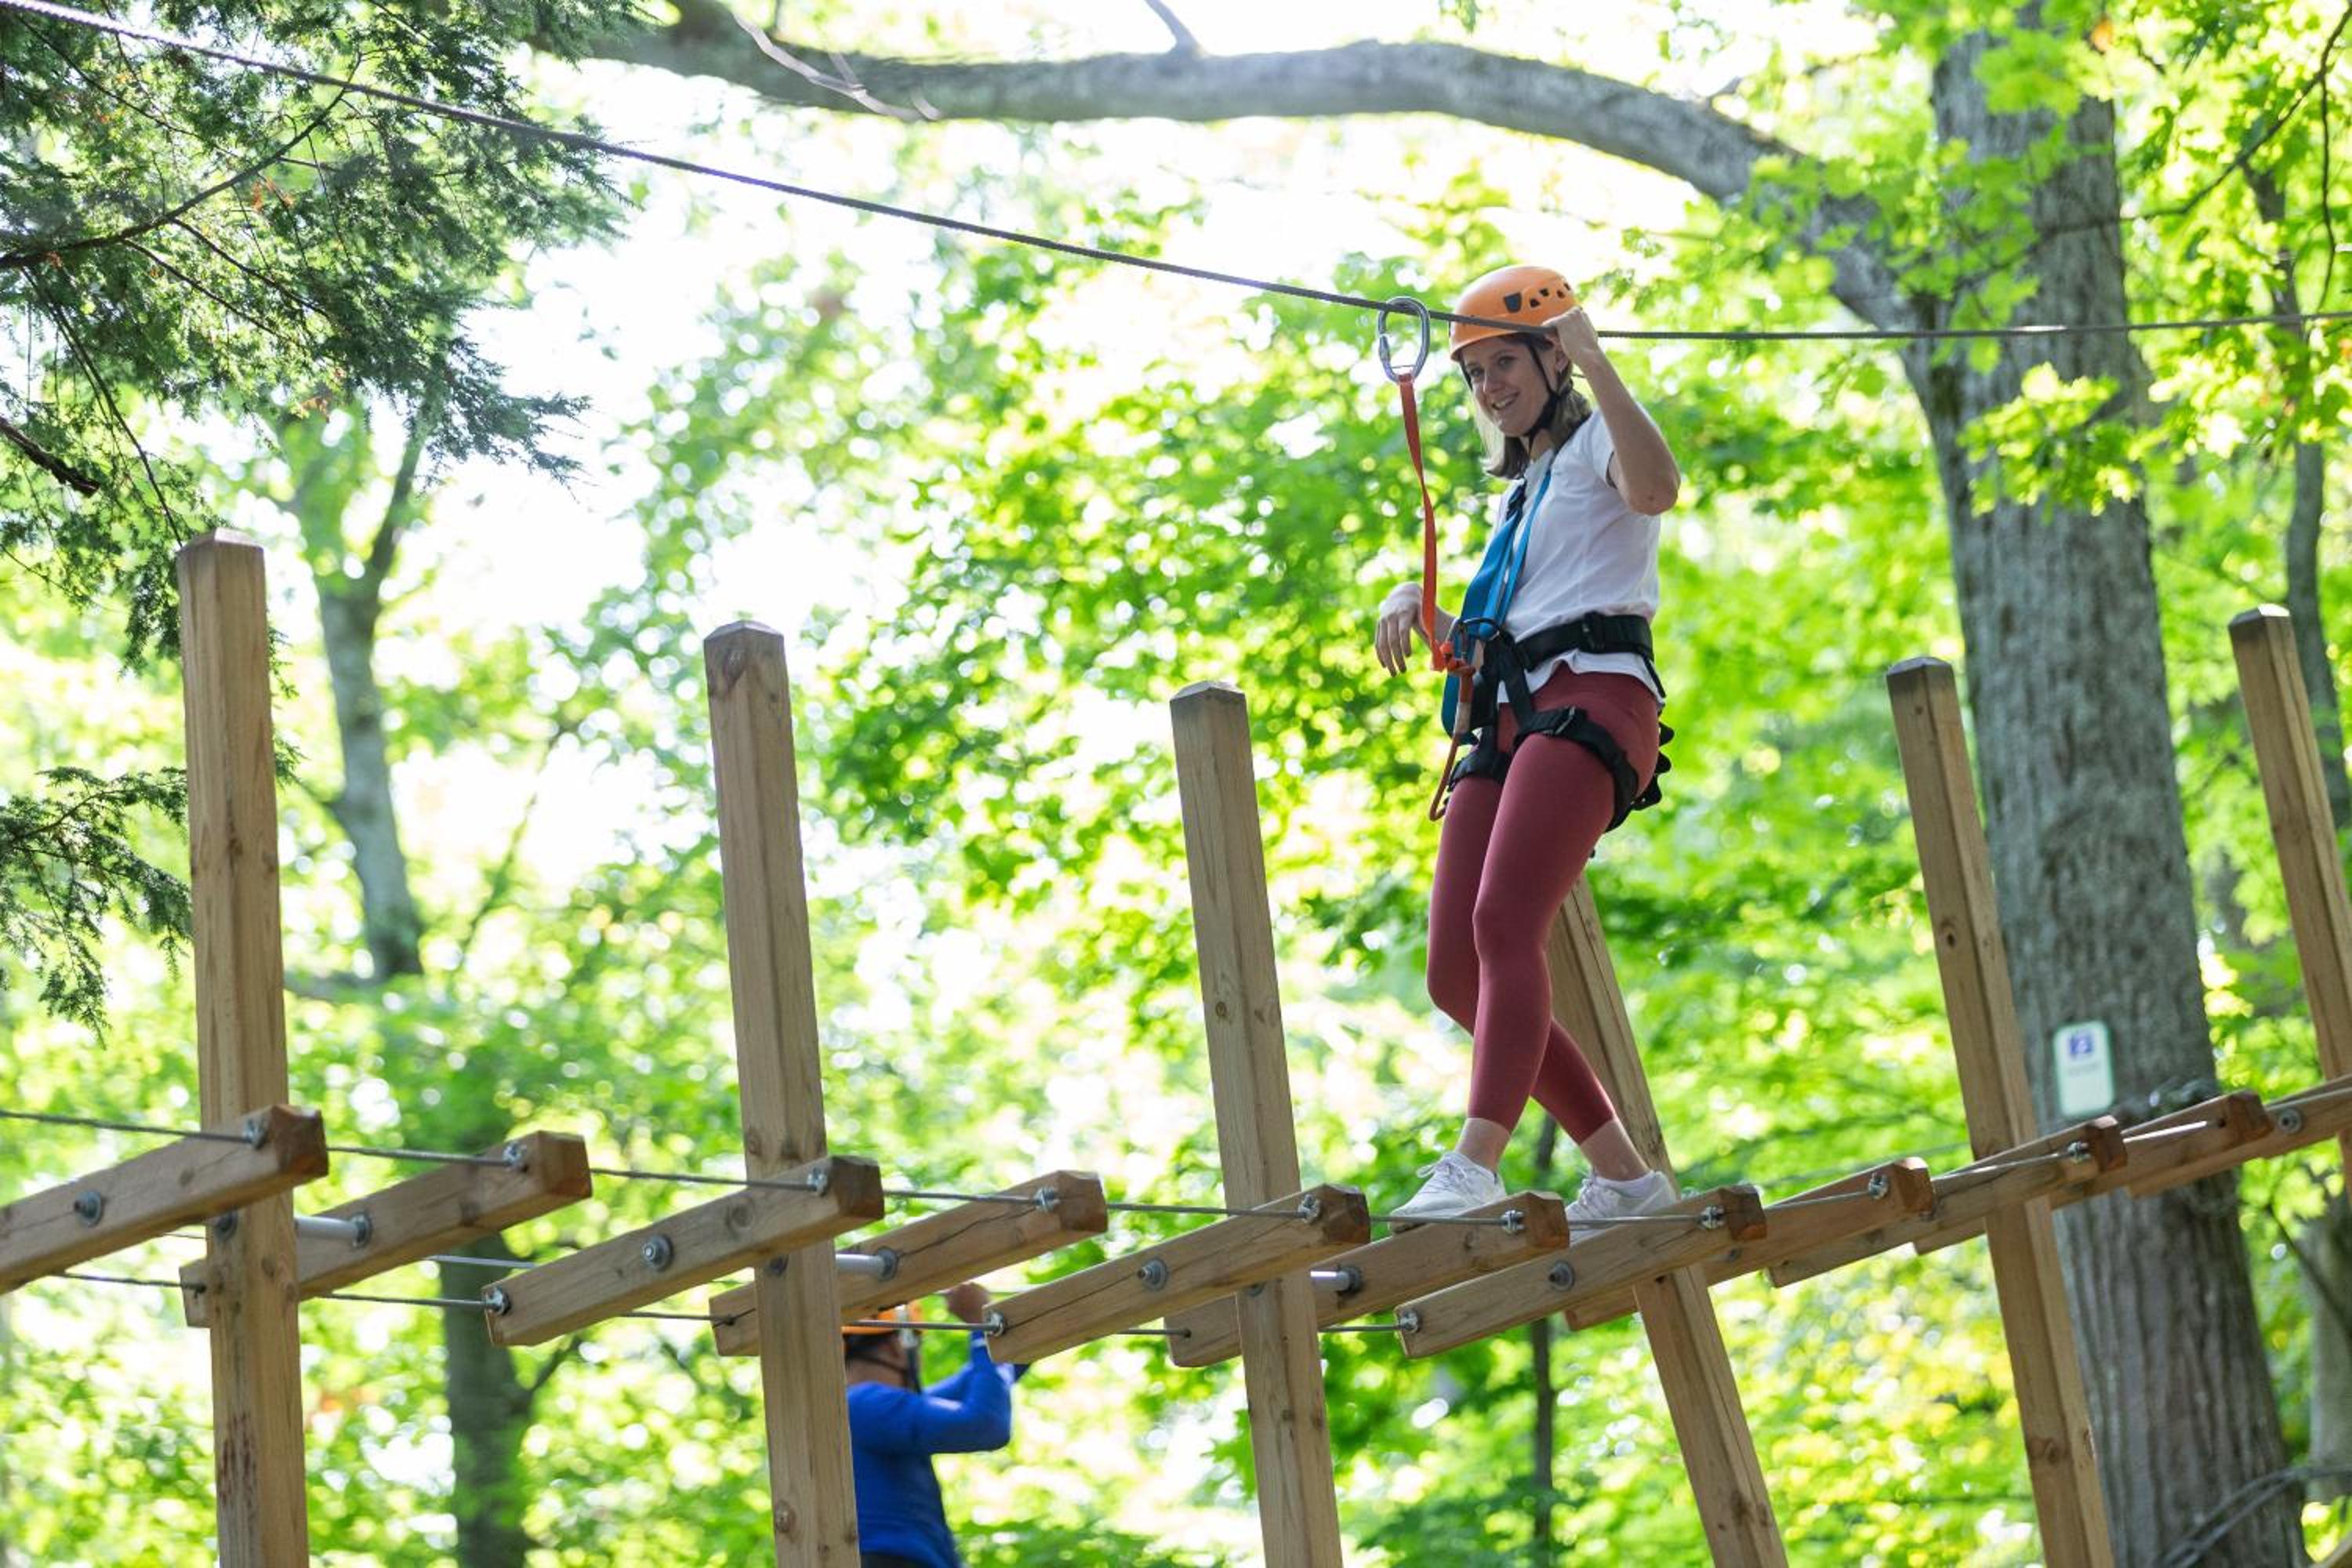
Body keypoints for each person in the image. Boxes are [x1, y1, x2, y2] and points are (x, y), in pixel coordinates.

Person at [1374, 263, 1683, 1229]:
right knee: (1454, 970)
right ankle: (1626, 1178)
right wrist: (1420, 602)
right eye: (1475, 374)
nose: (1488, 388)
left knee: (1506, 920)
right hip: (1512, 715)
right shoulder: (1518, 496)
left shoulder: (1595, 447)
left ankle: (1476, 1160)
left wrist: (1597, 357)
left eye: (1503, 363)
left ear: (1553, 358)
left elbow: (1658, 487)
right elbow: (1505, 628)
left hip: (1592, 697)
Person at [844, 1280, 1024, 1568]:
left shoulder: (864, 1410)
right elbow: (986, 1423)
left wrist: (1019, 1331)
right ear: (897, 1347)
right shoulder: (865, 1405)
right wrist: (983, 1324)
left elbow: (980, 1383)